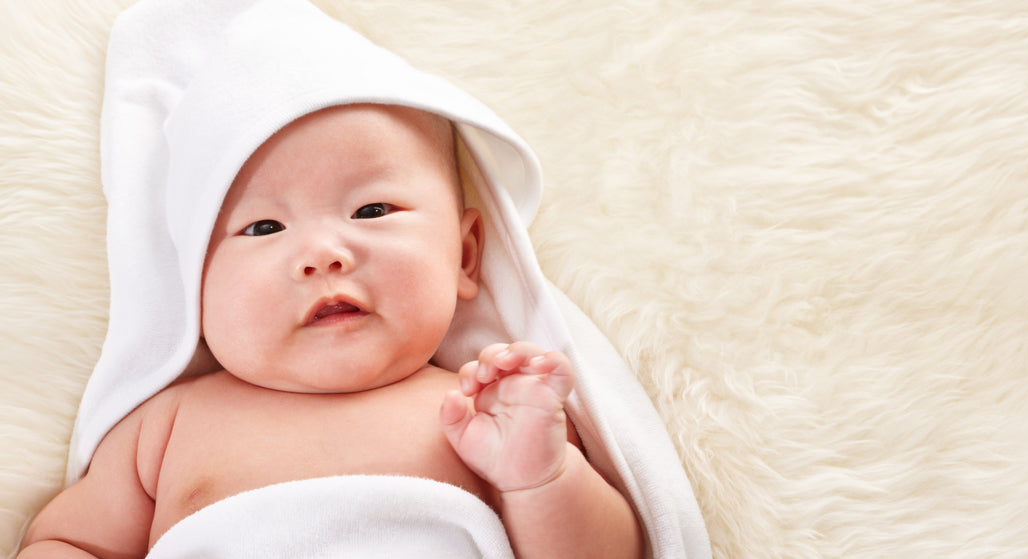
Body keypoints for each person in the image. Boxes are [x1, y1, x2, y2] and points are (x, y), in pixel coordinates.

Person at [19, 103, 643, 558]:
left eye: (371, 210)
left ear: (464, 255)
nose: (322, 253)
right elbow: (69, 541)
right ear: (190, 290)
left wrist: (541, 478)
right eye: (263, 228)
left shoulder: (482, 412)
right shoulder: (166, 426)